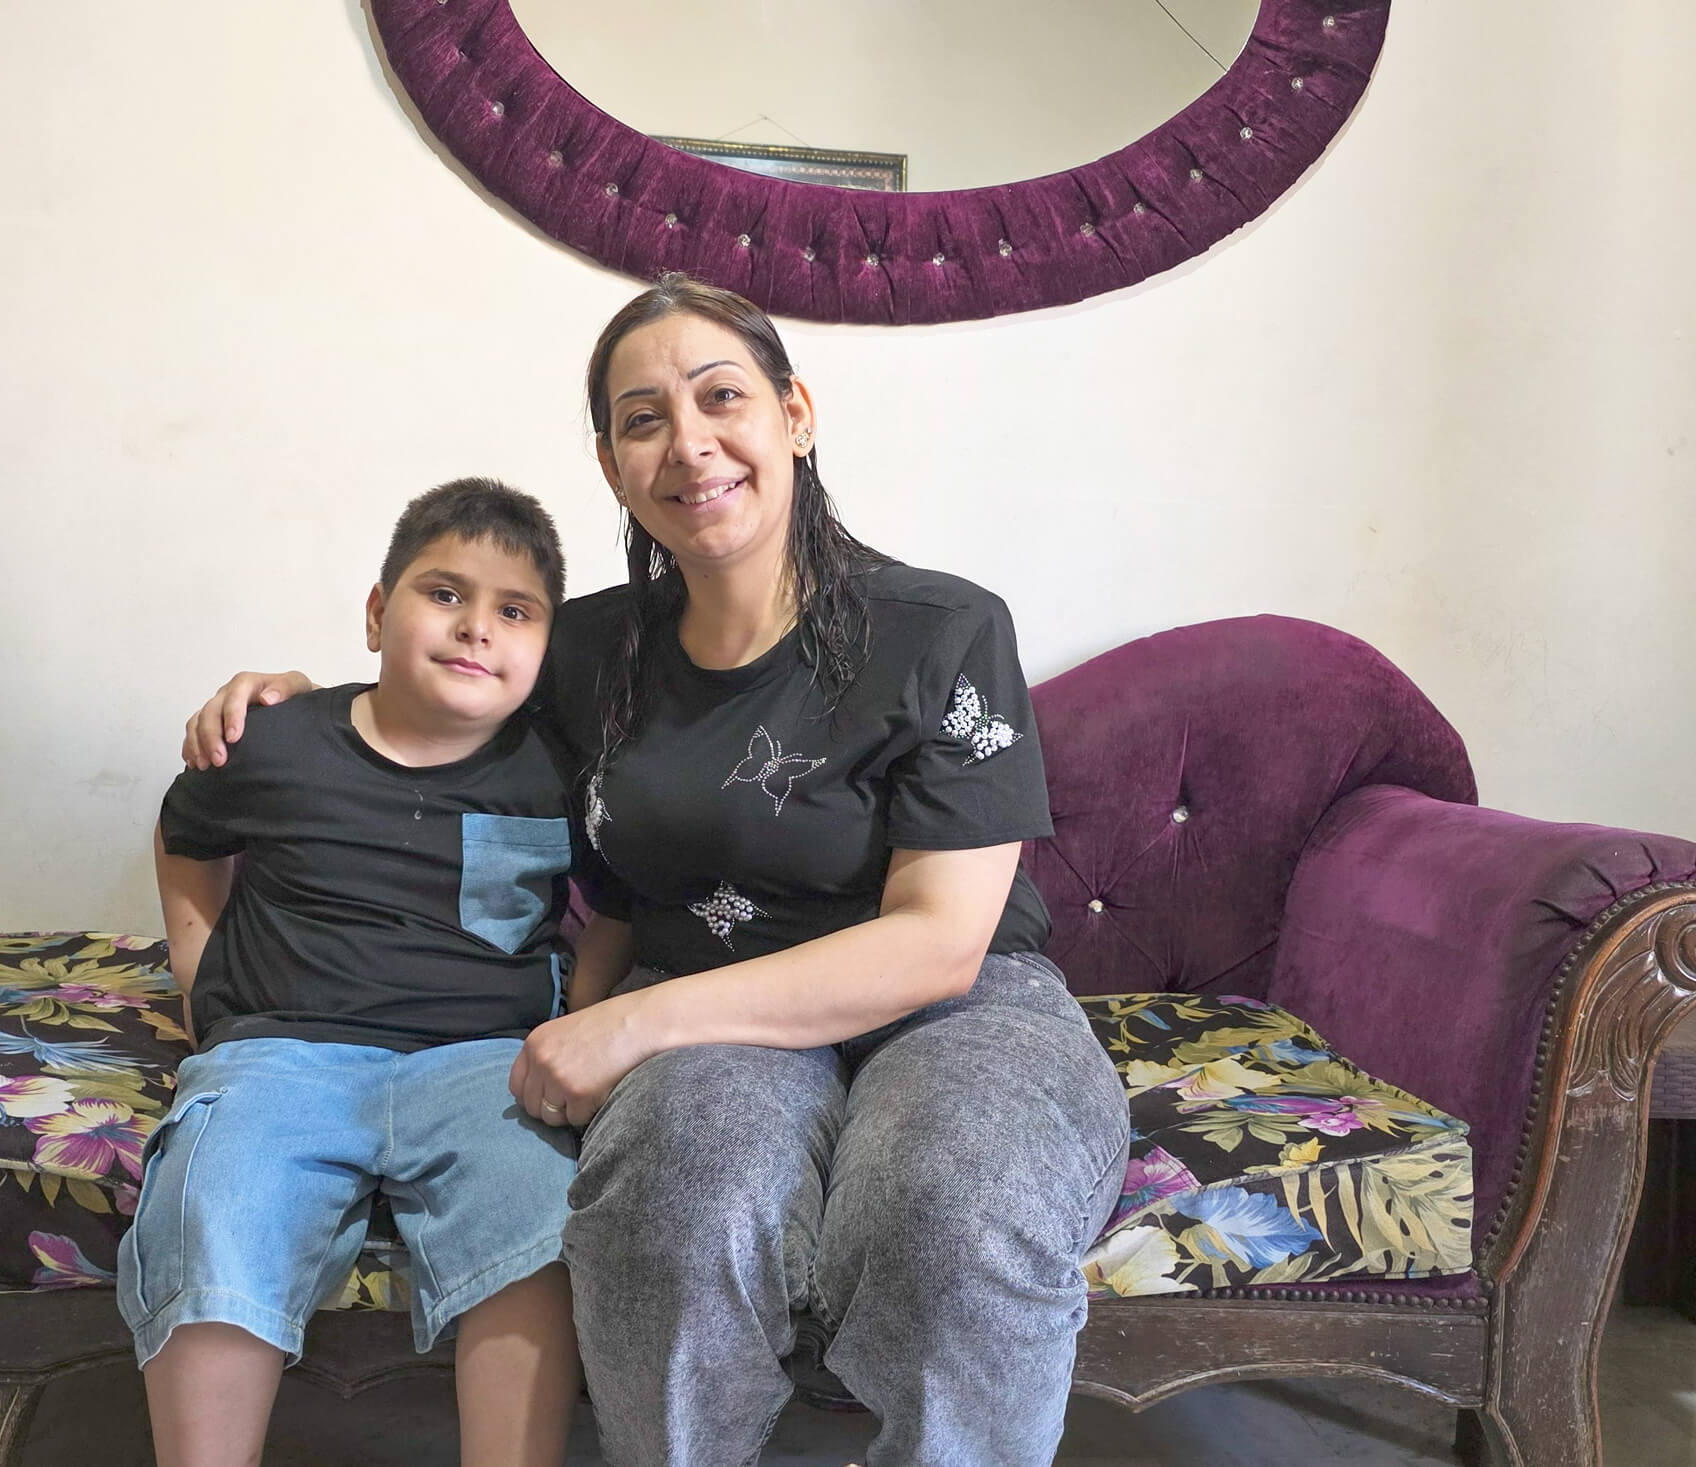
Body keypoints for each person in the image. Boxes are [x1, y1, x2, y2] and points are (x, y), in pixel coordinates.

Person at [182, 277, 1130, 1467]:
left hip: (953, 1001)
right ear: (611, 463)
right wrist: (281, 705)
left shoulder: (941, 630)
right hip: (710, 1016)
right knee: (673, 1201)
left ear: (794, 413)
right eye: (642, 419)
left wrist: (626, 1025)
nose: (688, 443)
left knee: (948, 1202)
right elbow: (424, 711)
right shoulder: (584, 647)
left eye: (720, 396)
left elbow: (937, 939)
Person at [126, 478, 584, 1467]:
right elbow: (184, 829)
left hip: (484, 1065)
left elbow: (628, 906)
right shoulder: (279, 740)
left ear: (546, 651)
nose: (476, 630)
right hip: (281, 1056)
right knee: (212, 1203)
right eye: (444, 594)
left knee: (541, 1222)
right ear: (377, 614)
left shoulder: (563, 767)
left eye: (515, 612)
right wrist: (200, 968)